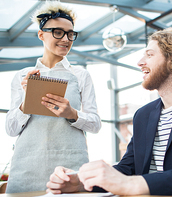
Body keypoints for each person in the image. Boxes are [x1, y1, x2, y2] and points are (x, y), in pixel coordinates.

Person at [46, 27, 172, 197]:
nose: (140, 62)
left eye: (149, 55)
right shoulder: (143, 115)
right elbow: (128, 168)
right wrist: (81, 183)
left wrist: (131, 185)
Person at [5, 1, 101, 193]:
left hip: (69, 168)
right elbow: (11, 129)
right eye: (58, 32)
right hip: (26, 167)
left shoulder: (81, 75)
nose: (66, 39)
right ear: (41, 34)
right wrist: (26, 101)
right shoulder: (23, 76)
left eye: (70, 34)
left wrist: (72, 113)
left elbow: (95, 124)